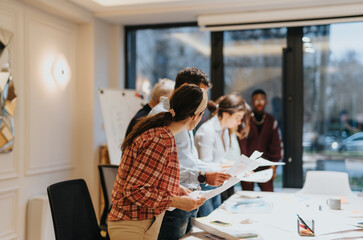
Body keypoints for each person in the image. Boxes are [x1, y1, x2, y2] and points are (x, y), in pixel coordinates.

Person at [108, 84, 208, 240]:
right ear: (195, 116)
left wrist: (175, 189)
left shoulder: (161, 133)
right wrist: (177, 201)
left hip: (139, 222)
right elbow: (135, 190)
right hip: (133, 225)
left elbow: (148, 180)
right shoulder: (160, 139)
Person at [149, 67, 231, 240]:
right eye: (201, 94)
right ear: (186, 87)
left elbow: (190, 160)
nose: (204, 102)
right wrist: (202, 176)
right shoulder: (163, 115)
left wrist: (217, 168)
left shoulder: (185, 115)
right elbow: (163, 169)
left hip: (188, 197)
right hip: (173, 202)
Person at [194, 94, 248, 216]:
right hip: (203, 186)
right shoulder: (207, 130)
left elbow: (219, 160)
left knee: (215, 217)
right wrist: (232, 167)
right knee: (207, 220)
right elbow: (205, 164)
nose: (239, 122)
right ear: (225, 114)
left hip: (216, 184)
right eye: (237, 117)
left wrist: (240, 166)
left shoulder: (224, 130)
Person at [239, 89, 283, 192]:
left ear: (266, 101)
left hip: (265, 165)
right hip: (247, 165)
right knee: (247, 195)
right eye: (256, 100)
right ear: (252, 102)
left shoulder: (271, 120)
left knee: (269, 193)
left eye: (262, 100)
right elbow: (242, 144)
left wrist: (273, 167)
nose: (259, 103)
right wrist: (245, 166)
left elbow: (276, 145)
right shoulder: (245, 120)